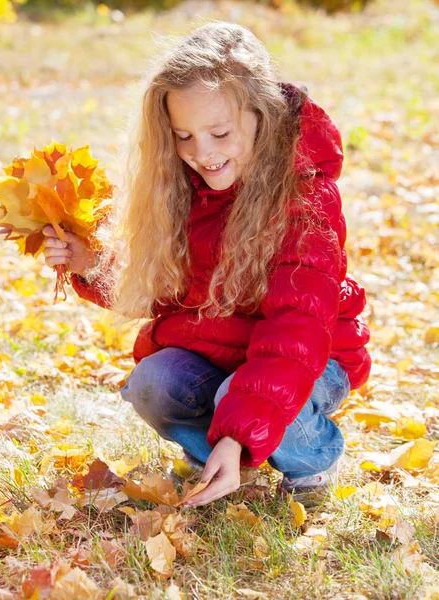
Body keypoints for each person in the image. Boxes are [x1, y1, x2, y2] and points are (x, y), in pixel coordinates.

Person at [42, 21, 371, 507]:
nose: (202, 153)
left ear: (262, 115)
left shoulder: (305, 195)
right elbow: (166, 292)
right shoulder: (183, 190)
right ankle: (221, 459)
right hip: (224, 354)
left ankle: (311, 459)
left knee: (246, 395)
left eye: (219, 132)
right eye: (184, 136)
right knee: (154, 383)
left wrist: (241, 427)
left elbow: (296, 329)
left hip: (310, 358)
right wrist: (90, 263)